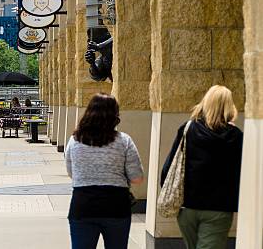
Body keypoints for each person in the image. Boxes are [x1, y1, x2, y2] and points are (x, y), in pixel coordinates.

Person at [161, 85, 243, 249]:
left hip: (187, 208)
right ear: (229, 106)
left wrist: (166, 189)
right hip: (219, 209)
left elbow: (170, 166)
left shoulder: (188, 129)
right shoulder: (236, 136)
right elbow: (242, 173)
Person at [65, 93, 144, 249]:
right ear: (115, 115)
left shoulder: (74, 141)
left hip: (83, 205)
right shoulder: (124, 141)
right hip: (116, 206)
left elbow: (71, 173)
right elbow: (137, 178)